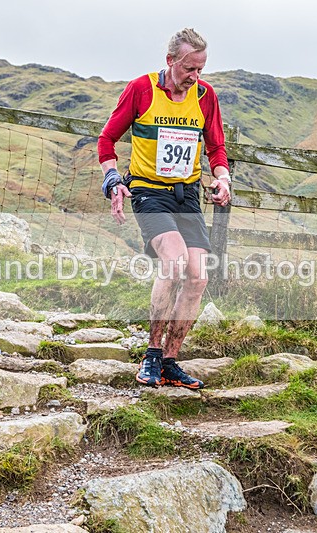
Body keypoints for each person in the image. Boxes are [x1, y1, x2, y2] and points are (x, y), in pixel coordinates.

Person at [97, 28, 231, 389]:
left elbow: (216, 148)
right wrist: (112, 180)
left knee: (198, 277)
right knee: (172, 264)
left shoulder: (205, 96)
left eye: (201, 69)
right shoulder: (141, 89)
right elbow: (107, 140)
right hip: (148, 190)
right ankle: (151, 355)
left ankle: (171, 361)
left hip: (186, 194)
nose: (195, 77)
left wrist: (223, 178)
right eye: (189, 69)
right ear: (170, 61)